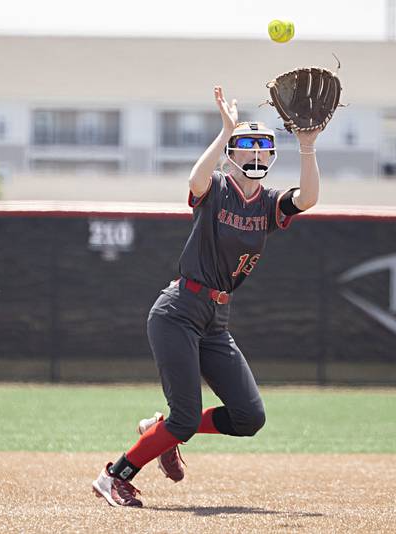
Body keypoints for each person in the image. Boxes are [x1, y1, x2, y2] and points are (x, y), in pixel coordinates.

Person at [92, 85, 321, 507]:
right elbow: (195, 180)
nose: (255, 155)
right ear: (232, 154)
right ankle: (115, 476)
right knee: (182, 418)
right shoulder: (216, 188)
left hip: (216, 319)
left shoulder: (268, 203)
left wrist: (306, 146)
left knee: (249, 417)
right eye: (246, 147)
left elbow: (307, 198)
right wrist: (224, 131)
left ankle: (160, 431)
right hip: (178, 311)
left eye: (263, 149)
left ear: (272, 156)